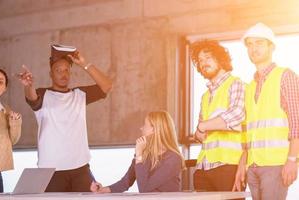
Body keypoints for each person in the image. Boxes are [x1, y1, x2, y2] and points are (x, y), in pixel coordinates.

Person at [16, 44, 112, 192]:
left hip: (80, 169)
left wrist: (85, 64)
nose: (63, 74)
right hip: (51, 171)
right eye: (58, 70)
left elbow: (107, 85)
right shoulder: (43, 94)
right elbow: (32, 97)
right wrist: (28, 85)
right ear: (51, 74)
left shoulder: (80, 95)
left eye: (67, 70)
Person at [239, 22, 299, 200]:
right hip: (253, 166)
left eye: (259, 43)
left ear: (271, 47)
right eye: (249, 44)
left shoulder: (285, 76)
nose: (253, 48)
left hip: (276, 165)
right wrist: (243, 163)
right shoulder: (249, 87)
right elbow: (246, 131)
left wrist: (292, 160)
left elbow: (297, 123)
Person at [190, 40, 246, 192]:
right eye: (200, 61)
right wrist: (203, 128)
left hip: (228, 167)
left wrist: (203, 126)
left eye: (208, 58)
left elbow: (237, 115)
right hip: (203, 167)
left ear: (220, 59)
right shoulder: (205, 96)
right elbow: (199, 135)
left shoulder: (236, 84)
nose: (203, 63)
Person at [90, 111, 185, 193]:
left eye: (145, 125)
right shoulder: (145, 153)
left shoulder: (173, 158)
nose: (141, 128)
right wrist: (104, 189)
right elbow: (126, 182)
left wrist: (139, 155)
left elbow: (144, 189)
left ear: (154, 129)